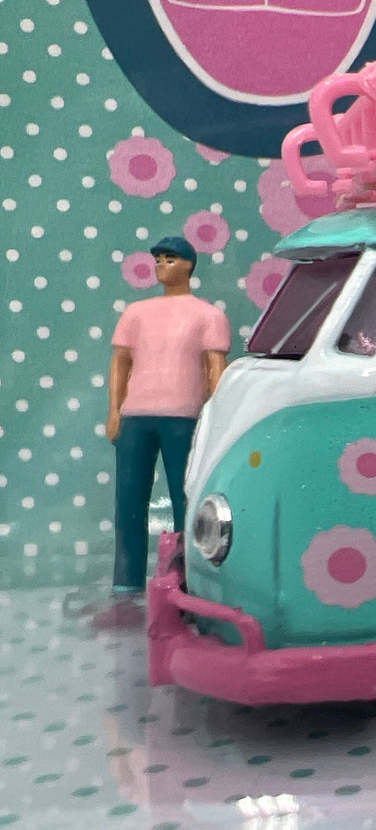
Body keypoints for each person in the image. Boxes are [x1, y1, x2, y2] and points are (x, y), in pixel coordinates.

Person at [107, 236, 230, 592]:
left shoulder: (208, 315)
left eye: (170, 259)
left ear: (189, 265)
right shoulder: (136, 312)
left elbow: (216, 372)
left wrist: (216, 419)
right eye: (158, 259)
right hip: (135, 417)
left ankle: (189, 578)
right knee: (128, 500)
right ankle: (126, 581)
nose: (162, 265)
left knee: (186, 500)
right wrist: (114, 410)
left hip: (184, 419)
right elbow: (120, 363)